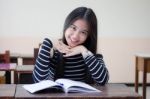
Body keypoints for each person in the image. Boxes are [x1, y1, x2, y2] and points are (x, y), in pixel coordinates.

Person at [32, 7, 109, 85]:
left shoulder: (91, 55)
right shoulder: (52, 52)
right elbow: (39, 82)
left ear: (88, 36)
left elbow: (103, 81)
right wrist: (47, 42)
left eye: (83, 32)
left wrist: (83, 51)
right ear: (66, 25)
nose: (75, 36)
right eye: (73, 28)